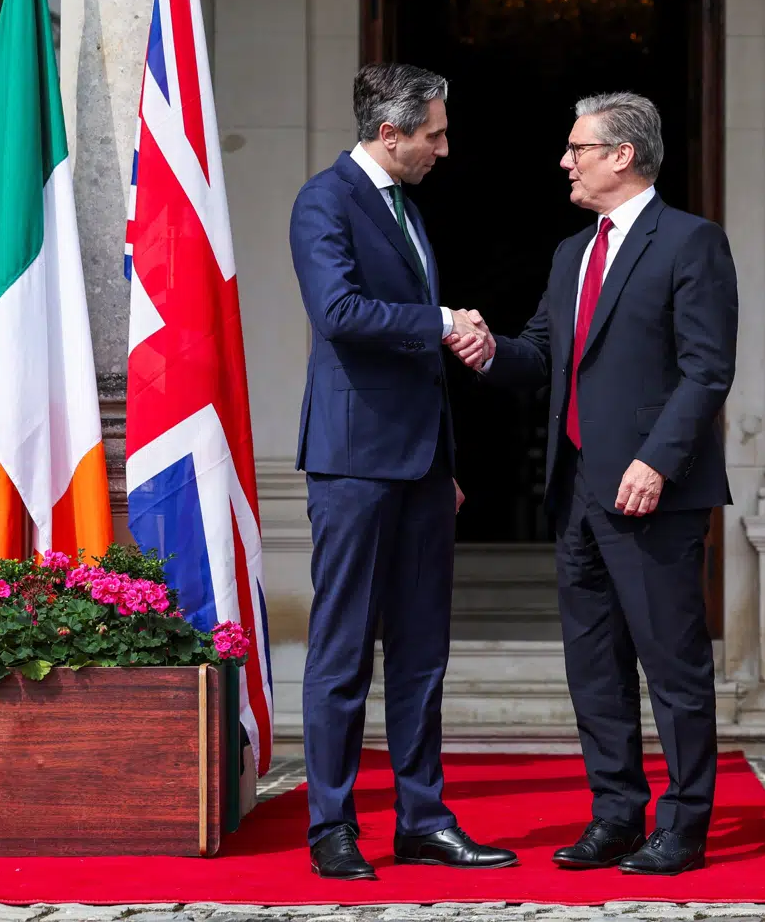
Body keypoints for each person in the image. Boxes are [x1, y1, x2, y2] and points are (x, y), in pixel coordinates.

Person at [450, 92, 738, 874]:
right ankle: (615, 813)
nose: (565, 160)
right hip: (575, 491)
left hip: (655, 492)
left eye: (578, 147)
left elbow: (707, 369)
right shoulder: (572, 253)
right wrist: (485, 350)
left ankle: (683, 824)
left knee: (672, 666)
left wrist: (658, 458)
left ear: (622, 155)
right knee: (595, 669)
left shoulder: (691, 242)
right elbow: (542, 354)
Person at [288, 62, 515, 880]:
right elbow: (338, 313)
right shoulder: (325, 200)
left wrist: (443, 464)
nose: (443, 149)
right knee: (343, 649)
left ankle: (422, 817)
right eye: (435, 134)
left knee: (422, 654)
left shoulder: (408, 209)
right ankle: (331, 826)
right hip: (353, 462)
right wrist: (442, 318)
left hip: (420, 467)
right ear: (391, 134)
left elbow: (419, 363)